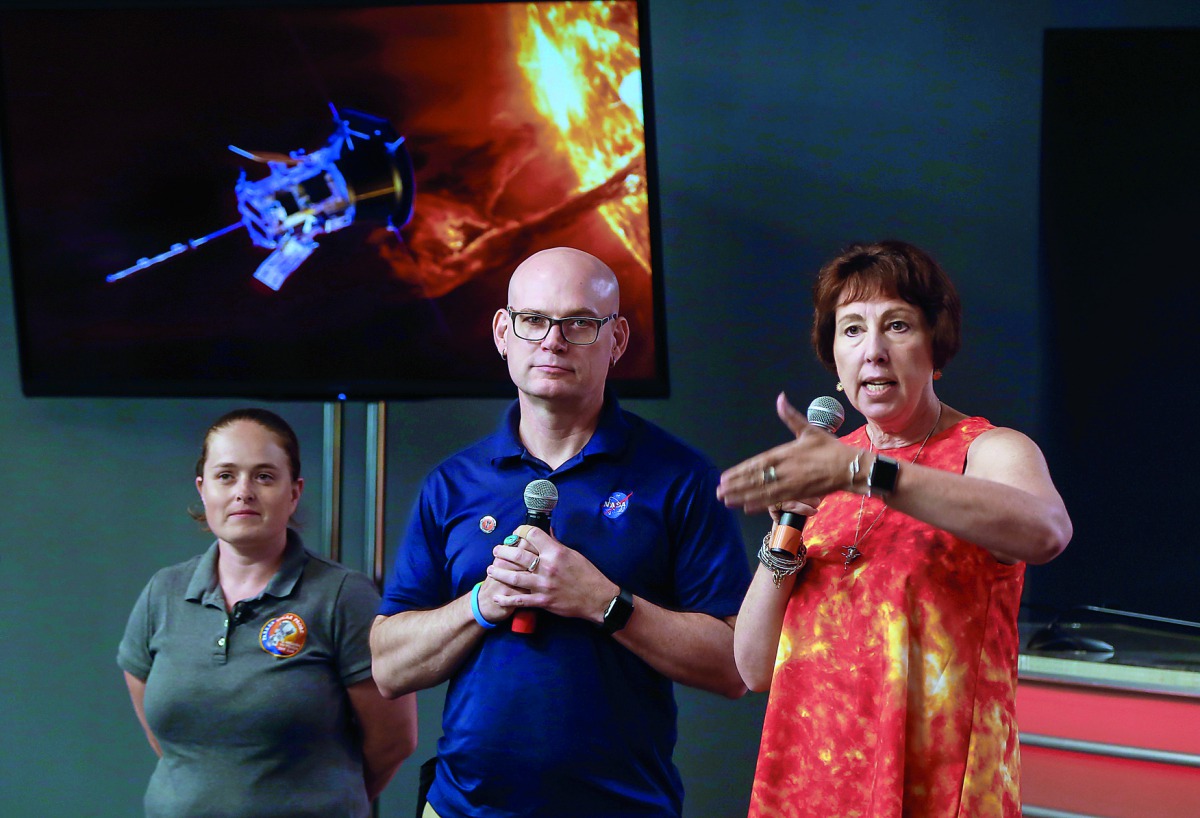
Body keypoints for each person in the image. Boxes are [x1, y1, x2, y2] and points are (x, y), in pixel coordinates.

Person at [370, 246, 751, 818]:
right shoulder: (450, 484)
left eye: (579, 323)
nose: (552, 340)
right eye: (532, 321)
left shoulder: (682, 478)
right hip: (463, 809)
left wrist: (604, 603)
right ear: (503, 332)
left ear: (617, 340)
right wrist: (482, 602)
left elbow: (734, 667)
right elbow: (389, 668)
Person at [717, 240, 1072, 818]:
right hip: (808, 786)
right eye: (851, 330)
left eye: (897, 325)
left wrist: (864, 472)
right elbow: (754, 667)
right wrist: (786, 529)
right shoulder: (826, 464)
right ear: (834, 360)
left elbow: (1046, 531)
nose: (873, 351)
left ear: (937, 346)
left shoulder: (987, 450)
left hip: (938, 792)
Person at [117, 408, 417, 818]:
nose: (244, 491)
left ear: (294, 492)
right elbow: (167, 742)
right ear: (203, 490)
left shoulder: (344, 597)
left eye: (264, 476)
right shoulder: (162, 593)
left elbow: (392, 742)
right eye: (226, 476)